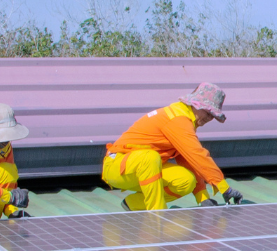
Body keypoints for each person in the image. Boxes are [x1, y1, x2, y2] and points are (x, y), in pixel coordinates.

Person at [102, 83, 248, 211]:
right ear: (195, 104)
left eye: (213, 116)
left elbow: (188, 159)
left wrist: (202, 197)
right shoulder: (177, 119)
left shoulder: (184, 119)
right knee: (150, 157)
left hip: (140, 169)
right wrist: (224, 188)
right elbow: (197, 154)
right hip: (116, 166)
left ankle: (134, 203)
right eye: (208, 112)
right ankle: (157, 214)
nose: (209, 118)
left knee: (186, 180)